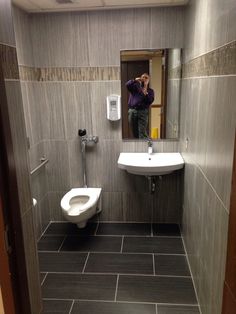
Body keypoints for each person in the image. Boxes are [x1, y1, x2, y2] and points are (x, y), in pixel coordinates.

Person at [126, 73, 155, 138]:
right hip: (132, 111)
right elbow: (127, 84)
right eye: (143, 77)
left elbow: (149, 101)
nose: (144, 79)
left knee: (142, 132)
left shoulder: (150, 91)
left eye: (146, 78)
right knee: (134, 132)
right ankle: (138, 146)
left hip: (143, 112)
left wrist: (145, 86)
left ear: (148, 80)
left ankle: (144, 146)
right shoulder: (135, 88)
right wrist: (135, 80)